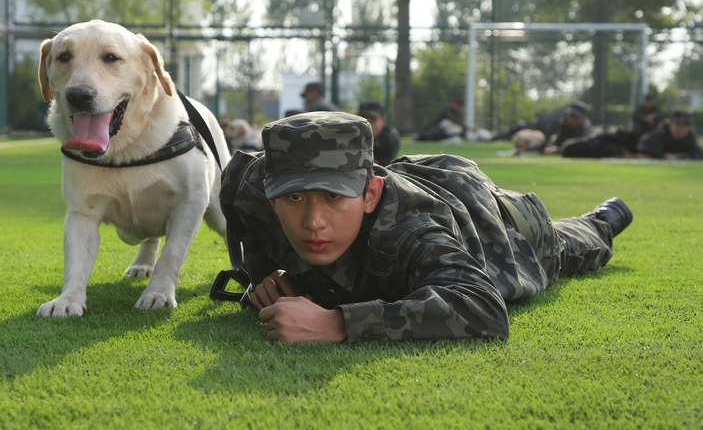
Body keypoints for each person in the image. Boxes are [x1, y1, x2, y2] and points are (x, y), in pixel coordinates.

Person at [218, 112, 633, 343]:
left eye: (333, 197)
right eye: (295, 198)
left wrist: (338, 324)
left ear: (368, 194)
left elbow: (485, 310)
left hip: (499, 225)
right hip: (417, 173)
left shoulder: (411, 232)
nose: (313, 222)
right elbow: (243, 209)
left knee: (562, 246)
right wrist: (263, 279)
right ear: (272, 193)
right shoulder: (252, 188)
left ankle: (603, 219)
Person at [637, 111, 703, 160]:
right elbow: (643, 146)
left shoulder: (690, 136)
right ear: (670, 124)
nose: (681, 129)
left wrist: (679, 157)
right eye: (678, 124)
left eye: (685, 126)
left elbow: (699, 154)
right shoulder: (661, 132)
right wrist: (663, 155)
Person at [356, 101, 400, 166]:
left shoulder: (390, 138)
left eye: (373, 120)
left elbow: (387, 167)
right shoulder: (352, 135)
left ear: (383, 121)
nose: (368, 124)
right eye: (363, 120)